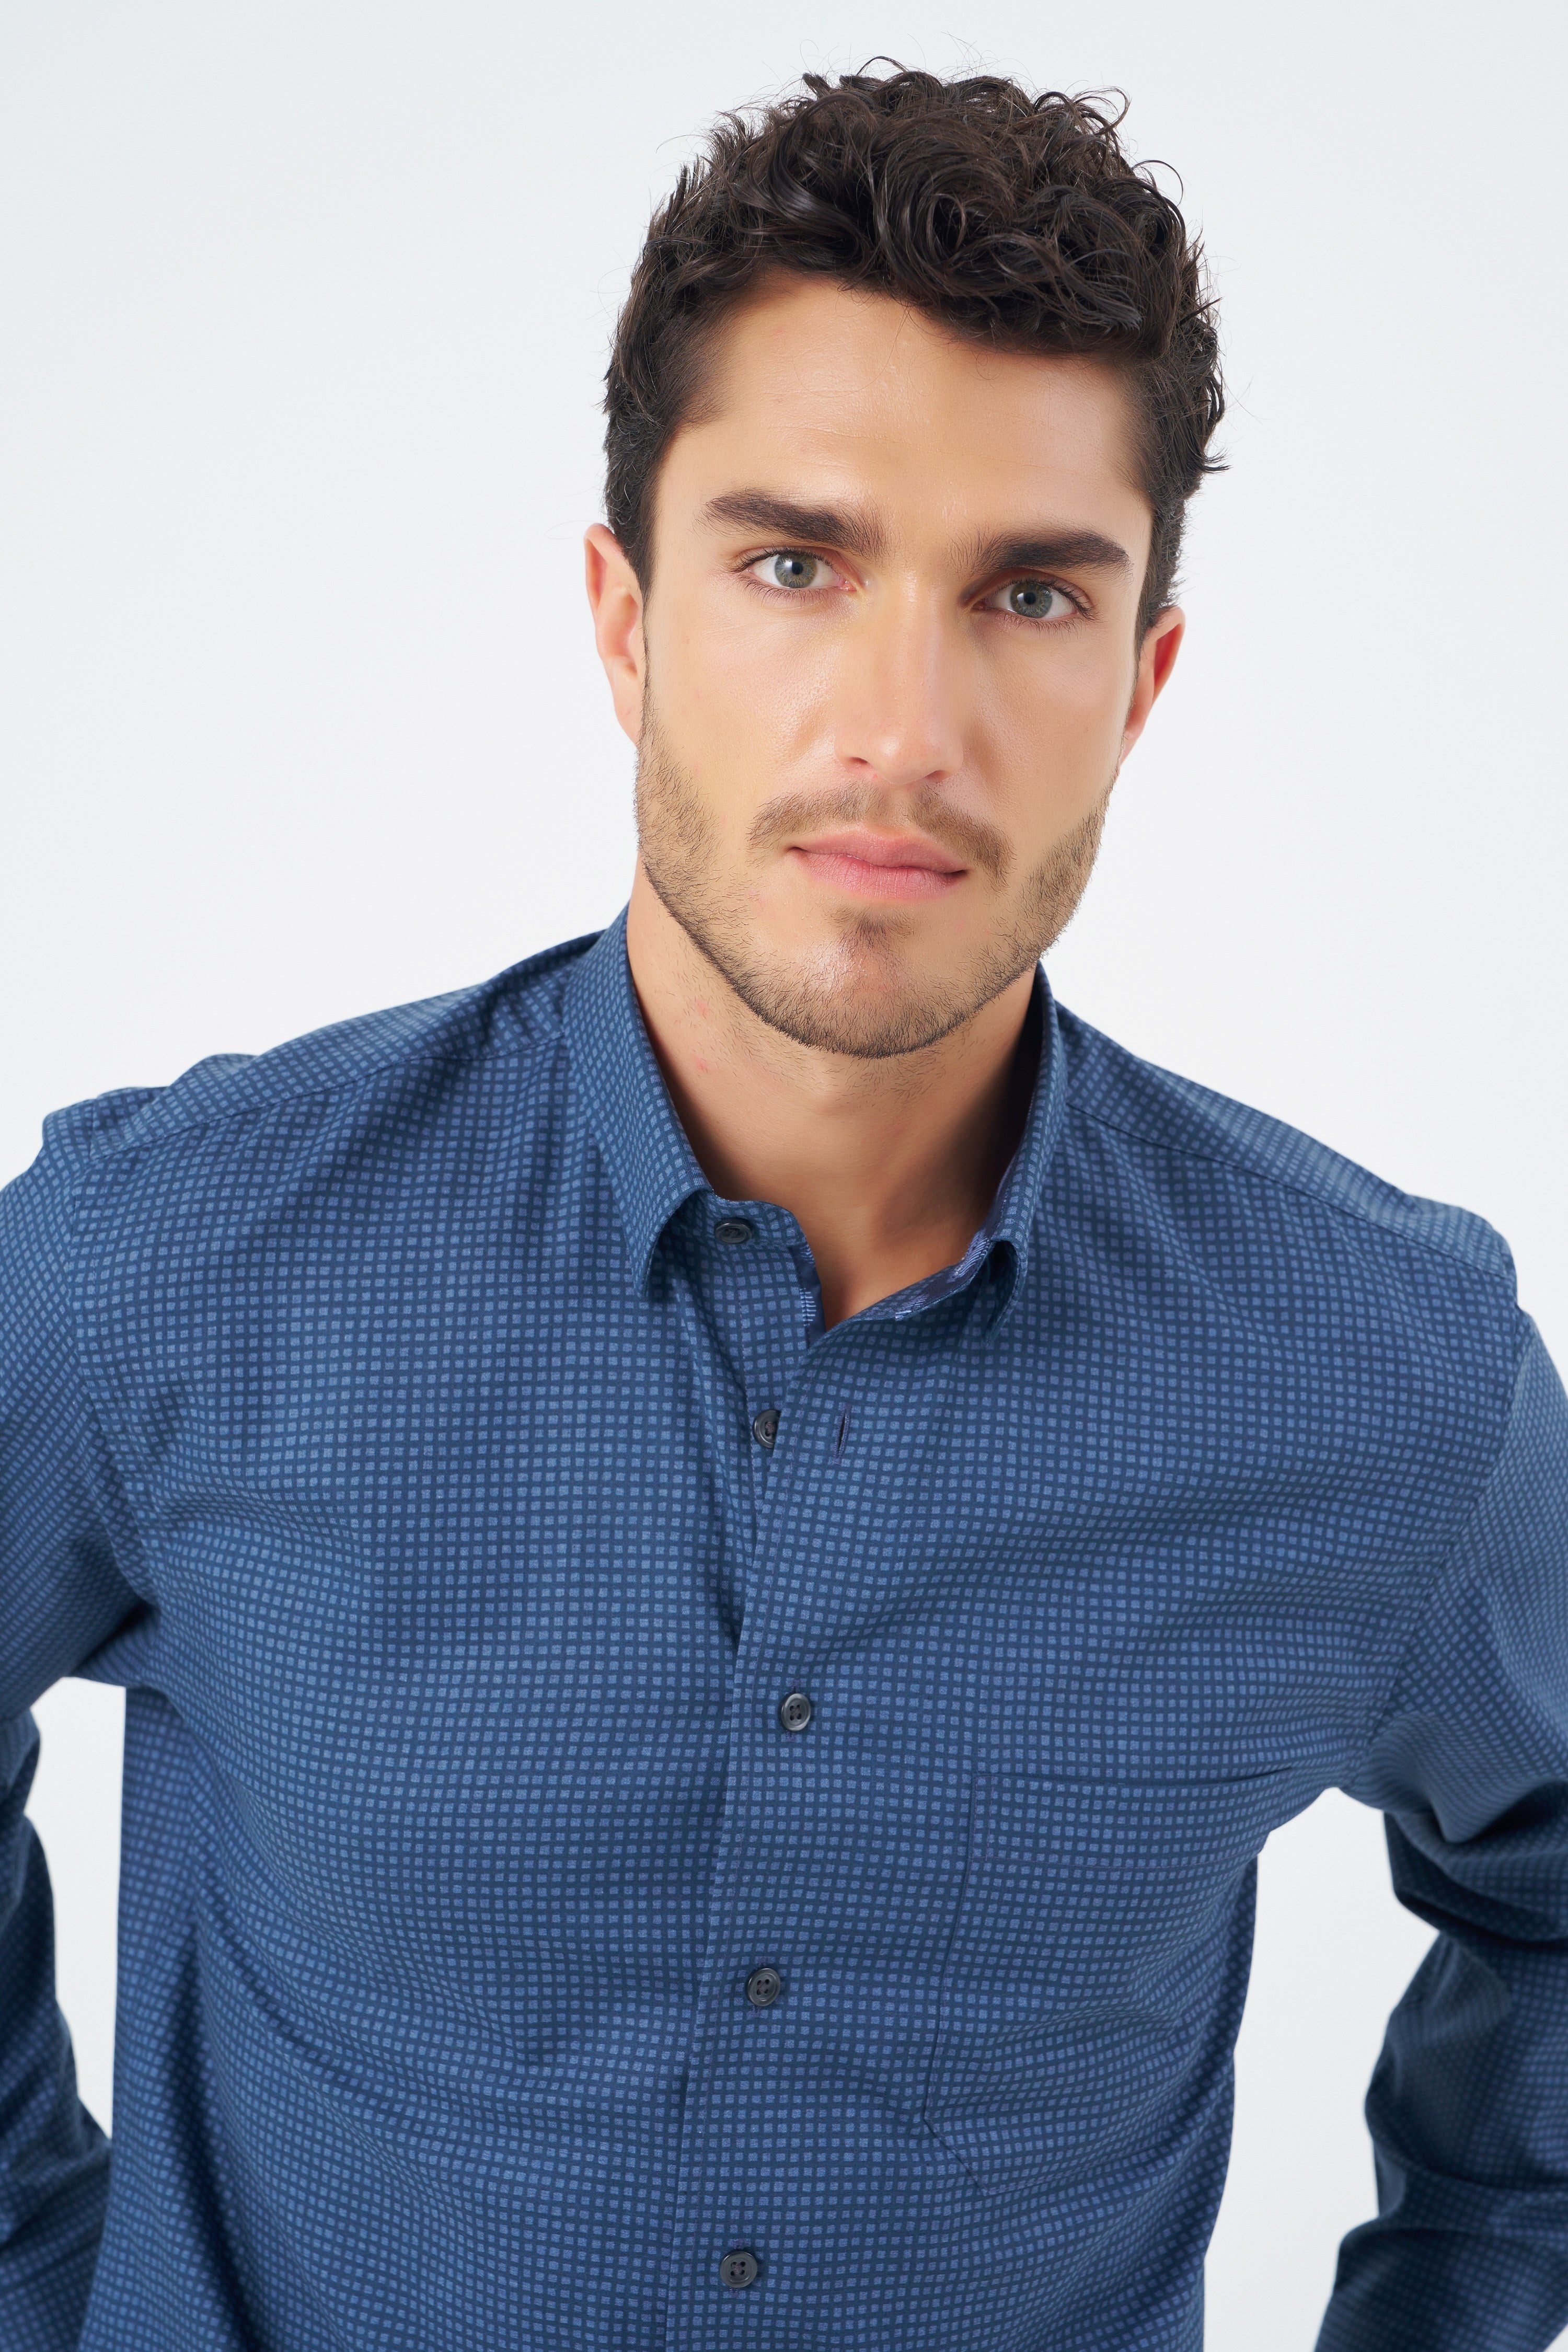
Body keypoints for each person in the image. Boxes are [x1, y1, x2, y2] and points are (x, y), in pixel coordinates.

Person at [2, 61, 1565, 2352]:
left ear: (1141, 682)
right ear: (627, 617)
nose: (902, 726)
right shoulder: (176, 1262)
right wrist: (46, 2283)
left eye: (1027, 592)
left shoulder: (1389, 1380)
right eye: (796, 564)